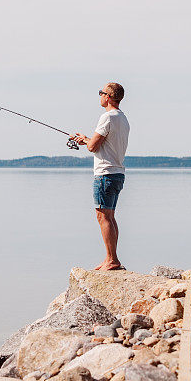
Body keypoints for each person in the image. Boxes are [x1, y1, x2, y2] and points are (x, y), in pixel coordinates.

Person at [71, 83, 130, 271]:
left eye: (101, 93)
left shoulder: (107, 117)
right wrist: (86, 139)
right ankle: (110, 258)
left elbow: (93, 147)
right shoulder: (123, 118)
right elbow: (102, 144)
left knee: (103, 217)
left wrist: (86, 141)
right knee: (110, 217)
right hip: (117, 173)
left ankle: (112, 260)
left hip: (105, 173)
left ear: (109, 97)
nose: (100, 96)